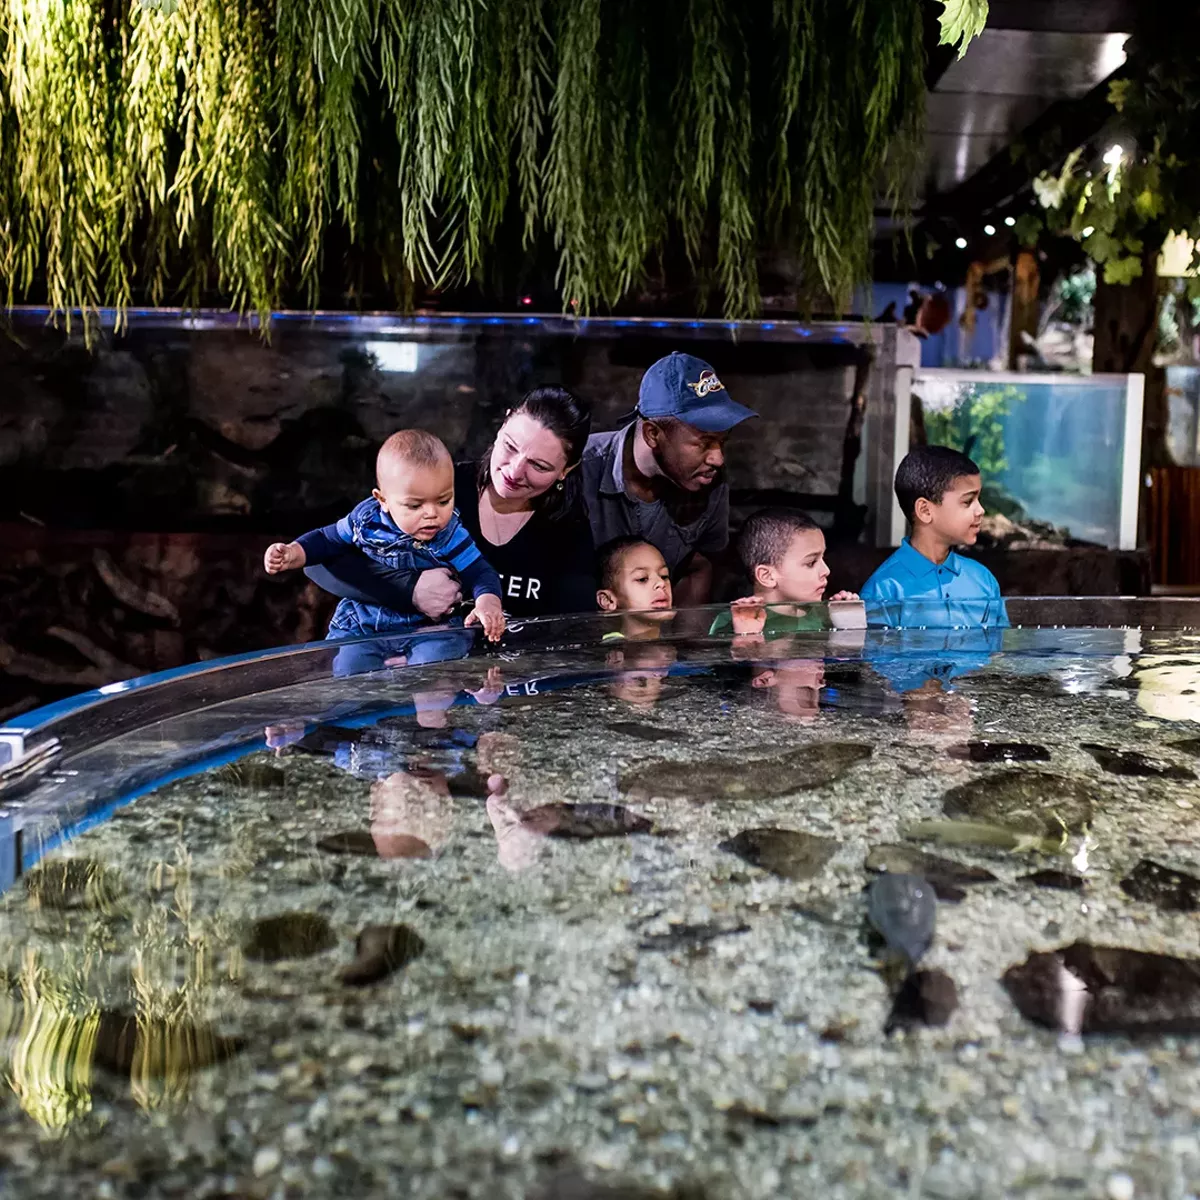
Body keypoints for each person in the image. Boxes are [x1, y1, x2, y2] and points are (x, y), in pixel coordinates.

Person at [306, 389, 596, 623]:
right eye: (510, 446)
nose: (514, 471)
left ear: (566, 469)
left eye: (539, 465)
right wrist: (409, 590)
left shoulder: (567, 529)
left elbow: (575, 630)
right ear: (503, 423)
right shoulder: (439, 486)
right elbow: (319, 559)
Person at [263, 429, 505, 642]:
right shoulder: (366, 521)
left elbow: (479, 570)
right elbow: (328, 540)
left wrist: (488, 600)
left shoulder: (450, 534)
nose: (432, 513)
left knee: (434, 680)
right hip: (364, 622)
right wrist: (293, 552)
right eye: (414, 506)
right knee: (348, 671)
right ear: (383, 500)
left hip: (428, 630)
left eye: (444, 500)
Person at [580, 352, 757, 608]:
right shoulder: (580, 470)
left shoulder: (709, 482)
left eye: (722, 442)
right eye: (704, 443)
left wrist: (682, 644)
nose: (718, 459)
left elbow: (701, 564)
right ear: (653, 434)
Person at [860, 444, 1008, 629]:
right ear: (925, 510)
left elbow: (999, 653)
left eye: (979, 499)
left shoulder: (984, 581)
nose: (980, 510)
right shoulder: (883, 592)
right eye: (968, 501)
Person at [709, 508, 859, 638]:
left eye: (823, 558)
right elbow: (732, 668)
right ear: (767, 576)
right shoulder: (734, 621)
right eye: (811, 563)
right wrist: (746, 637)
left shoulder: (823, 616)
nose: (826, 571)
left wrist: (850, 627)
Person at [595, 536, 675, 641]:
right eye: (642, 579)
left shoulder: (678, 643)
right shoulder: (613, 652)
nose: (661, 583)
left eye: (664, 576)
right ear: (608, 600)